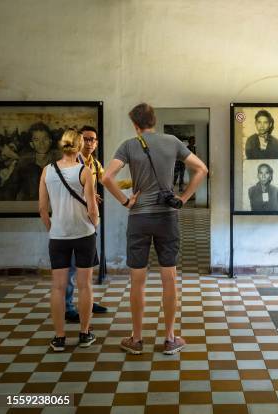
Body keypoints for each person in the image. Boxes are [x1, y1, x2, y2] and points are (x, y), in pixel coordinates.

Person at [102, 103, 208, 355]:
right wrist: (183, 198)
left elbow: (106, 177)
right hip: (167, 218)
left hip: (139, 218)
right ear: (154, 120)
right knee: (169, 278)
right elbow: (202, 169)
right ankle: (170, 338)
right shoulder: (172, 142)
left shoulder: (129, 145)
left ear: (135, 125)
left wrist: (126, 201)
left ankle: (137, 338)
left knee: (137, 280)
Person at [38, 128, 99, 352]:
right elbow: (92, 208)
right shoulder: (85, 171)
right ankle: (84, 333)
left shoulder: (47, 170)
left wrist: (53, 230)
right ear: (80, 145)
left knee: (57, 287)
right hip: (84, 234)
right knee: (85, 285)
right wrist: (96, 224)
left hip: (58, 236)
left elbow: (43, 209)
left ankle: (59, 337)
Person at [64, 126, 110, 323]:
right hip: (74, 220)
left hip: (89, 221)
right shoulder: (72, 163)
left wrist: (134, 183)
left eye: (93, 139)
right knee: (72, 267)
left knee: (86, 266)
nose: (90, 143)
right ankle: (67, 307)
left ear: (97, 142)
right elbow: (67, 191)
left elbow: (106, 180)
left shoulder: (95, 163)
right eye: (86, 139)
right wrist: (88, 195)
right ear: (79, 142)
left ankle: (86, 302)